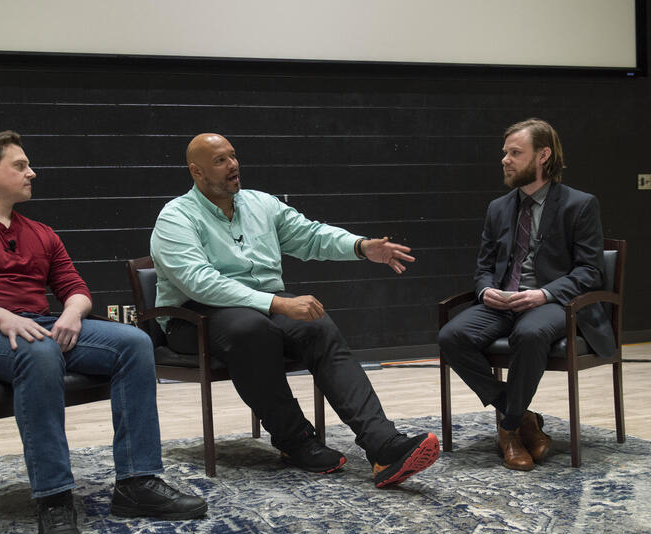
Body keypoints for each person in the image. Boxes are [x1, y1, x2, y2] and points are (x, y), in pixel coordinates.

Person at [0, 131, 207, 534]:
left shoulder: (40, 232)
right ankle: (54, 500)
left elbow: (74, 287)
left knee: (133, 341)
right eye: (20, 165)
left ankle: (136, 483)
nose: (31, 172)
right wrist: (2, 317)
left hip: (37, 328)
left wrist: (73, 312)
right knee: (40, 351)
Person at [150, 133, 439, 488]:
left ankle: (383, 444)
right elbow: (199, 282)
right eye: (221, 161)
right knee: (250, 330)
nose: (234, 165)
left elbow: (311, 236)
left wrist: (361, 247)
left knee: (316, 326)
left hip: (262, 307)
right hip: (195, 317)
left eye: (234, 156)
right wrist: (278, 302)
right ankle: (295, 441)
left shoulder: (261, 204)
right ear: (196, 171)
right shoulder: (176, 217)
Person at [438, 118, 615, 471]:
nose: (505, 159)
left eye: (515, 153)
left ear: (543, 155)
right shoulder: (498, 208)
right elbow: (484, 266)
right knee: (451, 335)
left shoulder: (579, 205)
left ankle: (508, 430)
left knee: (530, 333)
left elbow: (589, 272)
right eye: (505, 153)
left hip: (554, 303)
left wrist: (543, 294)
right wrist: (486, 288)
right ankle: (521, 416)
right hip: (503, 301)